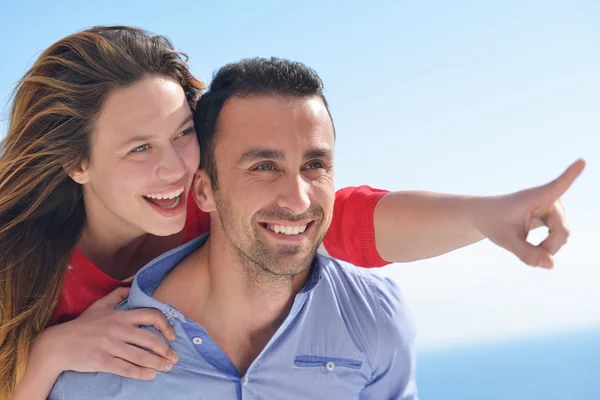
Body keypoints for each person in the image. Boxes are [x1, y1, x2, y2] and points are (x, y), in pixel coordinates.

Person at [2, 26, 583, 400]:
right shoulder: (16, 270)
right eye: (139, 149)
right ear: (75, 163)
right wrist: (50, 354)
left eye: (182, 133)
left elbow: (353, 220)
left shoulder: (201, 208)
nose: (175, 168)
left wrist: (489, 215)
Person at [50, 56, 418, 400]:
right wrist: (51, 352)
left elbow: (360, 217)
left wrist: (477, 216)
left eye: (315, 165)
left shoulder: (376, 318)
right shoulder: (95, 371)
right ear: (203, 191)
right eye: (263, 167)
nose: (299, 200)